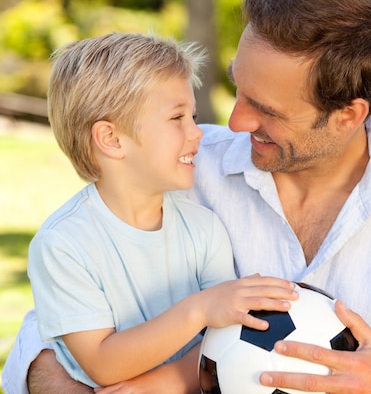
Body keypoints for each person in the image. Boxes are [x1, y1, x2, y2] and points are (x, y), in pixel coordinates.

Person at [3, 0, 371, 393]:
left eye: (267, 109)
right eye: (237, 87)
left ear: (347, 116)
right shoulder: (182, 165)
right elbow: (56, 327)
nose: (233, 122)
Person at [15, 32, 298, 391]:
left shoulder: (203, 229)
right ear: (111, 139)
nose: (197, 133)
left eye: (192, 116)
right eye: (177, 118)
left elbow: (221, 345)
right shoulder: (64, 244)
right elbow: (102, 363)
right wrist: (199, 309)